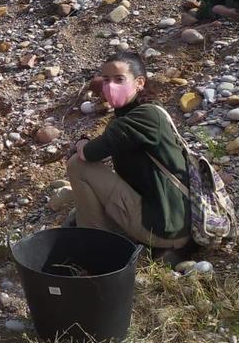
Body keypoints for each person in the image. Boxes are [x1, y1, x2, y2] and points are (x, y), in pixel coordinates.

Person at [66, 51, 190, 251]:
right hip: (167, 221)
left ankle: (95, 248)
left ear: (139, 83)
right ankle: (98, 234)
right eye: (106, 80)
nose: (110, 86)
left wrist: (82, 142)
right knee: (79, 211)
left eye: (119, 79)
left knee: (77, 165)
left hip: (164, 228)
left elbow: (88, 154)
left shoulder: (143, 117)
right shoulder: (142, 112)